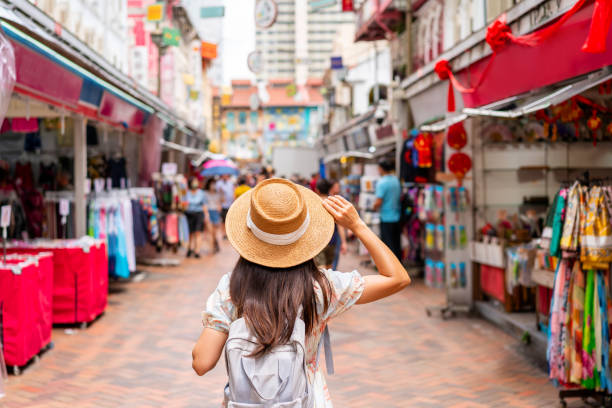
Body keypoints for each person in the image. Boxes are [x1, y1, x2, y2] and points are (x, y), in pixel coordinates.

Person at [192, 178, 411, 406]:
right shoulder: (322, 288)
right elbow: (397, 278)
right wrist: (357, 225)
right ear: (305, 236)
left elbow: (202, 363)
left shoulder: (231, 289)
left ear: (250, 236)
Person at [314, 178, 347, 270]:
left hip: (318, 241)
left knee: (321, 269)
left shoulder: (314, 203)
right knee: (329, 268)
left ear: (317, 190)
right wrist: (344, 242)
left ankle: (325, 284)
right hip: (332, 240)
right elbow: (340, 226)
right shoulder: (333, 203)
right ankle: (330, 284)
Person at [373, 159, 402, 261]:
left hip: (386, 218)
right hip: (397, 217)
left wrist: (373, 207)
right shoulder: (396, 180)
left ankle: (391, 269)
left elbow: (378, 201)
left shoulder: (382, 183)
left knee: (388, 246)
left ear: (381, 168)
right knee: (397, 244)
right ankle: (400, 266)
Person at [185, 178, 209, 258]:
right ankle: (189, 248)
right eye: (194, 182)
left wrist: (206, 215)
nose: (195, 184)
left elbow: (204, 205)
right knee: (190, 233)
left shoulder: (201, 193)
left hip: (199, 214)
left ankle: (197, 251)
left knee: (198, 232)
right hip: (189, 214)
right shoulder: (186, 193)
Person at [203, 178, 222, 254]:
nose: (213, 185)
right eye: (212, 184)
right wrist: (206, 214)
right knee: (210, 231)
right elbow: (204, 204)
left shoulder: (218, 193)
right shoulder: (205, 193)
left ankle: (215, 243)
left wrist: (222, 193)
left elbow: (220, 203)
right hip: (208, 212)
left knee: (214, 232)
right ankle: (212, 247)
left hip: (215, 213)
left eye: (214, 184)